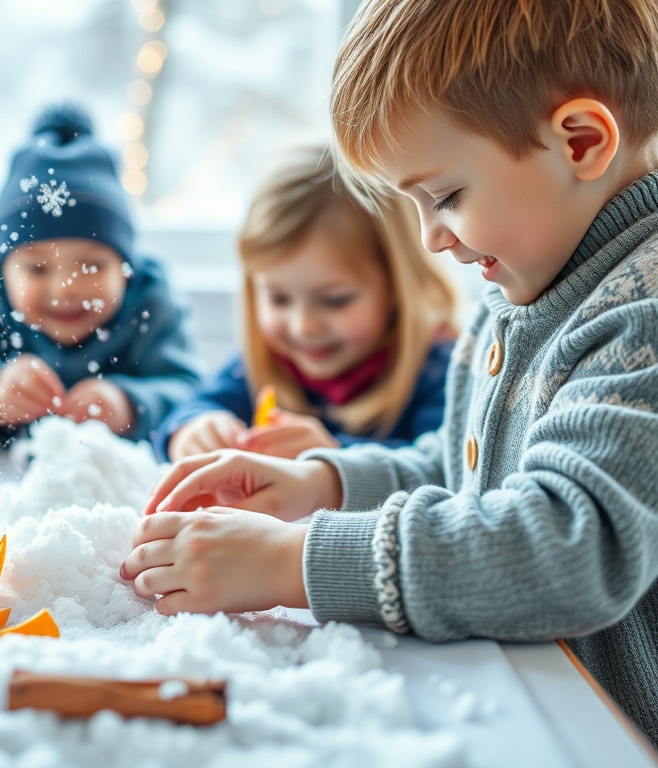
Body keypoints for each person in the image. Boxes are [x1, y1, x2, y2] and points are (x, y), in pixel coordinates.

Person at [121, 0, 658, 745]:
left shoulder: (643, 317)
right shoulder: (524, 294)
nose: (431, 237)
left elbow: (569, 546)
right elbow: (471, 478)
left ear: (581, 141)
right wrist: (328, 483)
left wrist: (296, 560)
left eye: (445, 198)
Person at [153, 145, 457, 462]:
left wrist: (333, 459)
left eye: (335, 300)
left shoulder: (441, 372)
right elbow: (190, 411)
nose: (303, 326)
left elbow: (440, 470)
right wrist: (193, 430)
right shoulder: (263, 366)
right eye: (279, 298)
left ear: (398, 286)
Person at [0, 105, 202, 447]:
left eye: (92, 266)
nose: (65, 290)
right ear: (2, 270)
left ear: (127, 268)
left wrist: (129, 406)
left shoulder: (150, 303)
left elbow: (191, 392)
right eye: (37, 268)